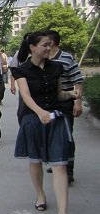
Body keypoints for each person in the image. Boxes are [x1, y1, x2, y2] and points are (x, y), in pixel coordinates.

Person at [11, 32, 78, 214]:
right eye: (45, 45)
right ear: (32, 47)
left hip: (55, 119)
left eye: (50, 45)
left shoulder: (57, 67)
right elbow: (26, 95)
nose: (49, 48)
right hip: (33, 119)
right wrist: (40, 112)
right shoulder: (21, 70)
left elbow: (59, 94)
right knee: (35, 161)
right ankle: (40, 195)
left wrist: (71, 94)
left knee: (60, 165)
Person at [47, 29, 83, 184]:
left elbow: (78, 80)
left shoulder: (67, 58)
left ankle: (68, 170)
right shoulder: (42, 58)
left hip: (64, 103)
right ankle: (57, 163)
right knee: (51, 135)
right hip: (47, 104)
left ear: (52, 42)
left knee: (66, 136)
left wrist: (78, 102)